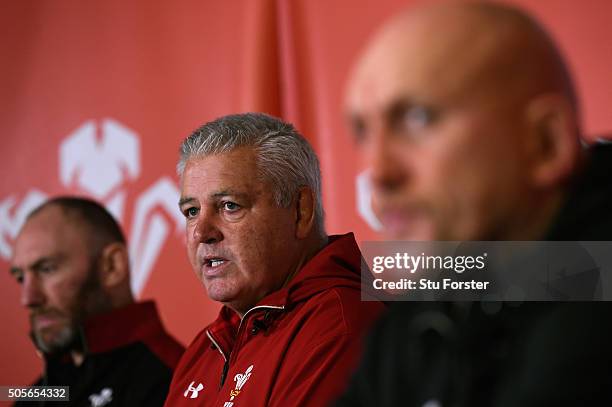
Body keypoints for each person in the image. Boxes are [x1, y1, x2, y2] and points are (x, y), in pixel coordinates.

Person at [337, 2, 612, 406]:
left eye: (417, 118)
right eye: (362, 130)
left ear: (546, 143)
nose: (377, 172)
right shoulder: (445, 282)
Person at [163, 113, 385, 407]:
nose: (201, 233)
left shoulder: (339, 325)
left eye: (230, 206)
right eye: (191, 211)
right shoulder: (204, 348)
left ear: (300, 211)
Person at [9, 197, 184, 406]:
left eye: (47, 269)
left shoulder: (177, 382)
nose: (28, 298)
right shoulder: (35, 395)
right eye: (21, 277)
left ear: (112, 266)